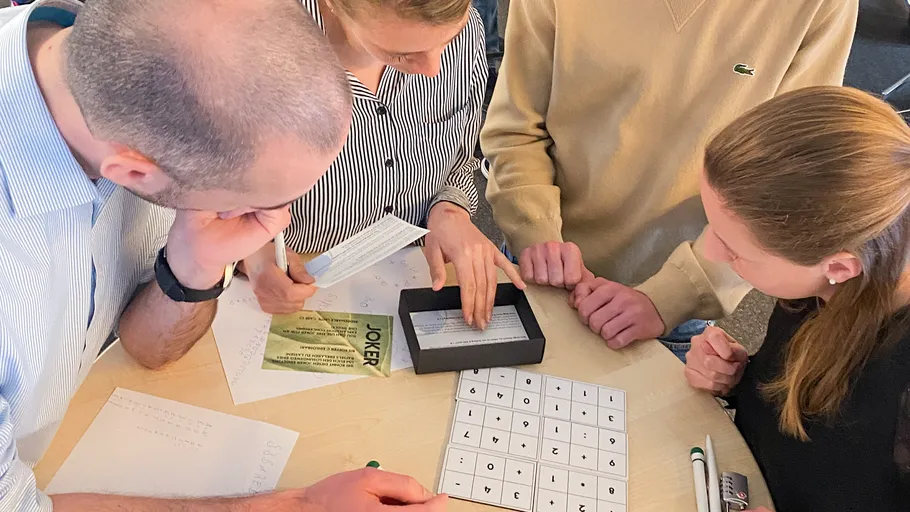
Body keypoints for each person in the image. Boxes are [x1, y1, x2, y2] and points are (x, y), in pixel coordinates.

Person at [0, 0, 445, 510]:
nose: (273, 227)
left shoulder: (128, 82)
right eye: (254, 204)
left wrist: (194, 268)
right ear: (134, 173)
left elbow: (148, 349)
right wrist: (300, 506)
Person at [482, 0, 858, 356]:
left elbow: (790, 185)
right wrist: (536, 230)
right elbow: (516, 124)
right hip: (541, 264)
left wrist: (674, 295)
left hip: (677, 301)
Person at [671, 87, 907, 511]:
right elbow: (806, 424)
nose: (713, 253)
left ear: (839, 266)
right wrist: (739, 379)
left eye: (735, 250)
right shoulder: (816, 288)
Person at [242, 0, 523, 329]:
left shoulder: (465, 29)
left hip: (416, 273)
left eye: (448, 40)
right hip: (296, 286)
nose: (434, 69)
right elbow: (201, 200)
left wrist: (450, 209)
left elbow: (459, 156)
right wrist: (252, 256)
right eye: (400, 55)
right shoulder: (249, 45)